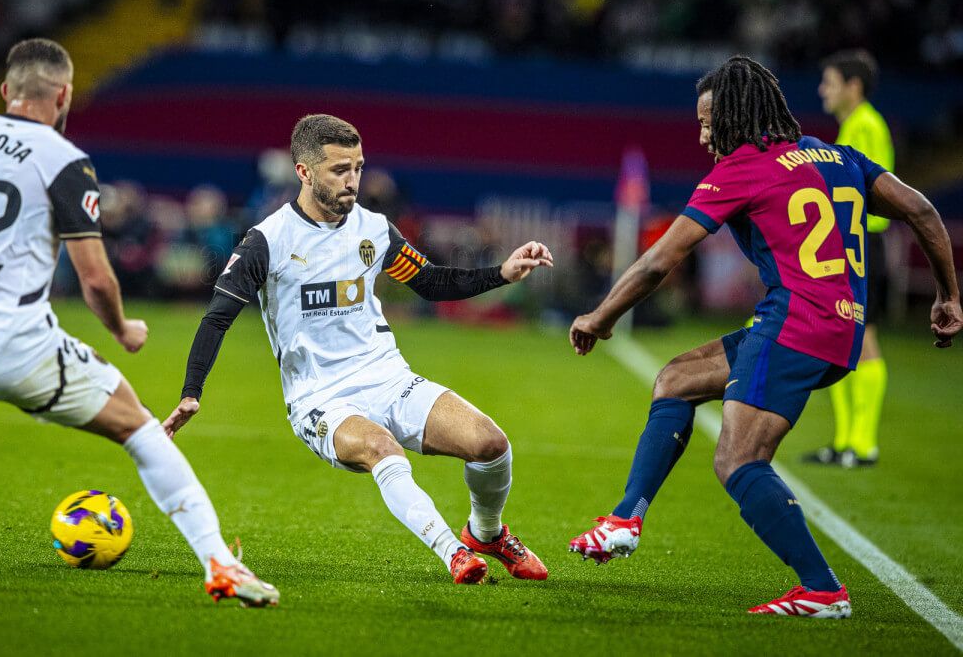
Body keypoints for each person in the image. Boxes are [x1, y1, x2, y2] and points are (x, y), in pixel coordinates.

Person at [0, 38, 278, 607]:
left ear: (6, 91)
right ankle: (220, 564)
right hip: (12, 344)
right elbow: (96, 279)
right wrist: (124, 330)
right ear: (64, 95)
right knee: (140, 427)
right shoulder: (62, 161)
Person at [566, 56, 961, 618]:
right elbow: (920, 209)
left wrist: (600, 316)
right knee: (676, 380)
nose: (702, 137)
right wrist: (949, 296)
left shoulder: (744, 167)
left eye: (708, 123)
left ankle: (823, 589)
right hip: (841, 324)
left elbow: (661, 261)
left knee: (738, 459)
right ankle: (625, 518)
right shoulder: (838, 156)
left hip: (796, 321)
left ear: (733, 117)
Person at [169, 114, 552, 585]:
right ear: (304, 172)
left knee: (491, 444)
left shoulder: (374, 229)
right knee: (382, 450)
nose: (353, 181)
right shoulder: (267, 241)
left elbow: (429, 282)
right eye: (339, 170)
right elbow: (217, 317)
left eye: (358, 167)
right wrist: (192, 391)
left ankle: (485, 533)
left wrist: (502, 273)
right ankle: (453, 553)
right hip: (321, 398)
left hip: (388, 377)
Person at [805, 50, 895, 468]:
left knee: (865, 338)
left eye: (829, 82)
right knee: (842, 339)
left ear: (852, 86)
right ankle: (844, 441)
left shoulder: (865, 126)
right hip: (849, 246)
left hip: (862, 246)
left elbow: (864, 191)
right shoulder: (853, 127)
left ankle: (864, 444)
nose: (823, 90)